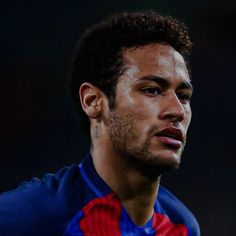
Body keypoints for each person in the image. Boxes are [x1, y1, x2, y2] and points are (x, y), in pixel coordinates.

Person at [0, 11, 200, 235]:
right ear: (93, 101)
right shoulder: (32, 215)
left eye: (183, 96)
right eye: (152, 90)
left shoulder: (181, 225)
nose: (177, 110)